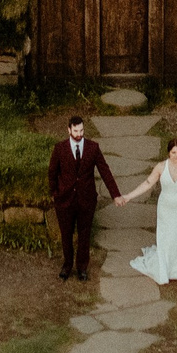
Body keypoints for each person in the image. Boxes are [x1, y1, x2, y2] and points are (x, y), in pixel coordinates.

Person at [115, 137, 177, 284]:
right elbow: (147, 183)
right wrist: (128, 196)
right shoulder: (161, 167)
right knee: (166, 238)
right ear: (169, 153)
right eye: (174, 152)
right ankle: (165, 267)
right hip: (165, 209)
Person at [47, 115, 120, 282]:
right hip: (64, 200)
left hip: (86, 200)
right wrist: (55, 193)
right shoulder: (60, 148)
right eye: (75, 131)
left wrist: (115, 194)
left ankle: (82, 268)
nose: (79, 134)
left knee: (84, 235)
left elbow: (105, 171)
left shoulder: (93, 148)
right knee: (66, 234)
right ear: (69, 130)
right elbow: (52, 172)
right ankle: (67, 265)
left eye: (81, 130)